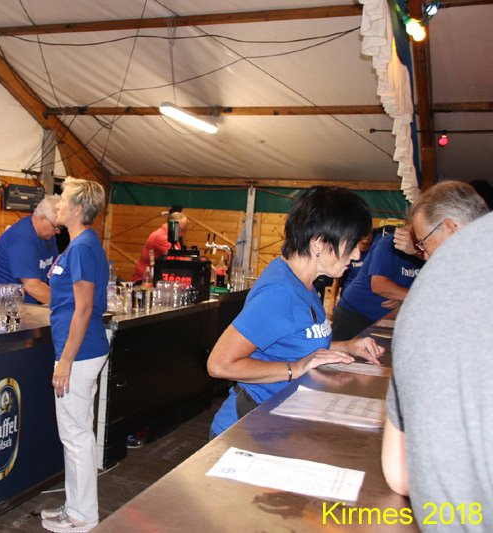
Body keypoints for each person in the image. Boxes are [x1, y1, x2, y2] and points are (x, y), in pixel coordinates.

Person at [207, 187, 384, 436]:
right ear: (319, 242)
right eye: (352, 244)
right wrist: (295, 369)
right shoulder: (280, 293)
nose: (356, 255)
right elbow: (219, 365)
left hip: (278, 423)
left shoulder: (304, 282)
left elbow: (292, 344)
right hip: (247, 427)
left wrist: (347, 346)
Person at [382, 212, 493, 524]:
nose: (424, 254)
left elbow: (401, 472)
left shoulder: (440, 285)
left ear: (450, 227)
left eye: (424, 243)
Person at [41, 178, 109, 533]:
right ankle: (75, 507)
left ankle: (82, 516)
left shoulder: (82, 247)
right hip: (81, 351)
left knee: (76, 436)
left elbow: (83, 309)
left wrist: (65, 360)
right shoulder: (81, 244)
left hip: (78, 354)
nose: (58, 205)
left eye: (64, 199)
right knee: (77, 433)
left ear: (79, 209)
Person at [330, 228, 424, 341]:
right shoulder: (389, 243)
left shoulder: (426, 254)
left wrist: (402, 298)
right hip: (355, 313)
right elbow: (379, 285)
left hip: (382, 319)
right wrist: (415, 297)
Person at [0, 195, 61, 304]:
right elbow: (33, 287)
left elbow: (54, 273)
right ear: (42, 218)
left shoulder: (48, 236)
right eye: (56, 227)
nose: (58, 232)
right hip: (3, 306)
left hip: (28, 304)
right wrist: (66, 303)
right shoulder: (22, 239)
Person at [131, 212, 187, 282]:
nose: (183, 234)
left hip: (154, 280)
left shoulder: (171, 237)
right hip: (144, 281)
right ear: (173, 226)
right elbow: (179, 258)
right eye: (182, 230)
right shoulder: (161, 237)